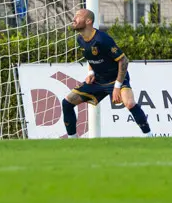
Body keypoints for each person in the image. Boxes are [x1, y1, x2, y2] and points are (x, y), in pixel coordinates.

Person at [64, 8, 152, 138]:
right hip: (98, 80)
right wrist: (91, 72)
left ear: (88, 21)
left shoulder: (102, 39)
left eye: (78, 16)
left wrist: (117, 86)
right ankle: (72, 140)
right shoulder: (80, 39)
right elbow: (91, 56)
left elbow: (123, 60)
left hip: (116, 79)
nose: (74, 19)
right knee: (67, 102)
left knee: (129, 103)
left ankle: (149, 136)